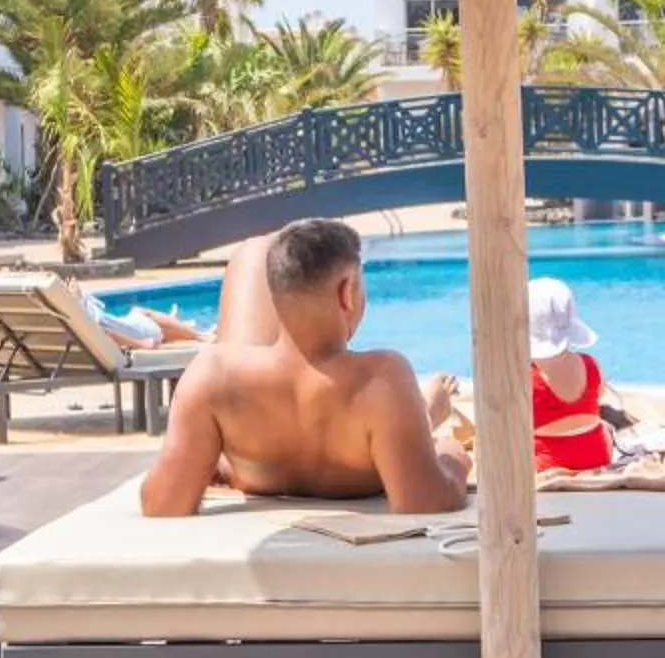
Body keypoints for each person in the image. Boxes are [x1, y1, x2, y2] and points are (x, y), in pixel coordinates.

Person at [142, 218, 468, 515]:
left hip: (252, 471)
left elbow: (162, 503)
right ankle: (429, 414)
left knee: (256, 249)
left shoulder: (213, 375)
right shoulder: (381, 378)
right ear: (347, 293)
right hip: (368, 466)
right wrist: (453, 457)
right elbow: (425, 501)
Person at [526, 277, 612, 474]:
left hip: (546, 464)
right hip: (596, 457)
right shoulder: (591, 364)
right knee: (604, 426)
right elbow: (600, 394)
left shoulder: (525, 377)